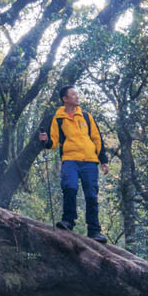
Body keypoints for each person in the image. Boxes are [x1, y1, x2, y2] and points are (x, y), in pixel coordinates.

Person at [38, 84, 108, 242]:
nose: (77, 97)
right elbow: (53, 142)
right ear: (65, 99)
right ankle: (68, 221)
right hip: (70, 159)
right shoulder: (58, 118)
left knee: (91, 194)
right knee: (70, 188)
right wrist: (46, 141)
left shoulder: (86, 116)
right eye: (73, 95)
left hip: (90, 160)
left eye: (77, 94)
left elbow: (97, 138)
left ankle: (94, 231)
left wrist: (103, 160)